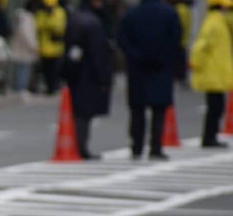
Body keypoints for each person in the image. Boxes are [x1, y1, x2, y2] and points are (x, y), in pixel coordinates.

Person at [117, 0, 181, 160]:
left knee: (137, 110)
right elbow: (176, 38)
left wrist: (135, 55)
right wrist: (164, 56)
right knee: (159, 111)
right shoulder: (169, 13)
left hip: (138, 69)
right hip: (161, 68)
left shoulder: (132, 14)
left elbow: (122, 39)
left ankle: (136, 147)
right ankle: (155, 147)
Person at [62, 0, 113, 159]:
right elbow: (99, 54)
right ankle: (81, 147)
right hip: (89, 75)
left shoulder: (75, 19)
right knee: (84, 114)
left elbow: (73, 50)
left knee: (78, 112)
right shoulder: (94, 23)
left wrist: (68, 71)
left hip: (76, 73)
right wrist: (104, 78)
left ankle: (78, 146)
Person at [190, 0, 233, 148]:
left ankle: (210, 136)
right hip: (213, 72)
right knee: (215, 107)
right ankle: (209, 137)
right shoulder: (216, 23)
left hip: (215, 72)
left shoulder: (218, 22)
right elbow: (201, 46)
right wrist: (196, 63)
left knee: (216, 107)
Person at [35, 0, 67, 95]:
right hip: (44, 48)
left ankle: (54, 86)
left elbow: (60, 26)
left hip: (57, 48)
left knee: (56, 69)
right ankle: (49, 87)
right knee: (46, 69)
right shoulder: (41, 13)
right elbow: (39, 26)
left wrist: (50, 24)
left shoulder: (60, 12)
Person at [10, 0, 39, 97]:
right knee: (24, 70)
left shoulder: (20, 17)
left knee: (20, 69)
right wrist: (33, 46)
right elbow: (27, 34)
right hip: (25, 49)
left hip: (20, 48)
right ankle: (21, 89)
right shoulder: (27, 18)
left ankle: (19, 88)